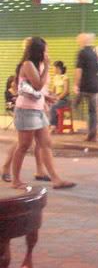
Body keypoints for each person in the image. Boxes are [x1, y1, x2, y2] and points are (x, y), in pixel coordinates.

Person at [10, 37, 75, 190]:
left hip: (38, 109)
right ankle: (15, 180)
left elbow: (36, 89)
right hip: (26, 110)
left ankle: (56, 179)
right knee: (23, 145)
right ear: (38, 51)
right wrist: (47, 66)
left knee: (46, 143)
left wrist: (46, 97)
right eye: (45, 50)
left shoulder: (38, 65)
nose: (47, 53)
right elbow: (38, 85)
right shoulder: (28, 64)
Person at [74, 33, 98, 142]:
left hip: (85, 86)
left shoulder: (81, 53)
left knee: (74, 104)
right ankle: (93, 135)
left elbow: (79, 70)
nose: (77, 41)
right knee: (93, 111)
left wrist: (76, 84)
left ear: (82, 41)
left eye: (78, 40)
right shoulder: (94, 53)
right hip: (94, 86)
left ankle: (84, 129)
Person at [49, 61, 71, 129]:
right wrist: (49, 93)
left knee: (53, 106)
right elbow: (53, 90)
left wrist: (58, 98)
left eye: (53, 68)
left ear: (58, 68)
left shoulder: (65, 77)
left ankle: (53, 125)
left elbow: (66, 91)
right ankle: (54, 124)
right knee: (47, 105)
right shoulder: (55, 77)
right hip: (57, 98)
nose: (53, 70)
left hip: (64, 99)